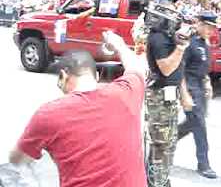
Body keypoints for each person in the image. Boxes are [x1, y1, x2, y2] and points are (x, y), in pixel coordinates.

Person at [9, 32, 147, 187]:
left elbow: (17, 159)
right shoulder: (126, 93)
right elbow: (138, 67)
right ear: (96, 76)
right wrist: (119, 44)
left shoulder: (49, 115)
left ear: (63, 76)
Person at [145, 5, 192, 187]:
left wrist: (184, 93)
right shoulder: (158, 38)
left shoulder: (169, 38)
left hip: (170, 97)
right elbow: (166, 68)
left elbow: (178, 70)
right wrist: (180, 48)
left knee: (169, 143)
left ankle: (160, 180)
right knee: (160, 145)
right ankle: (156, 182)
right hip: (159, 98)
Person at [177, 11, 217, 179]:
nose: (210, 30)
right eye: (207, 26)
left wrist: (207, 82)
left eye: (212, 28)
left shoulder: (203, 43)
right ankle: (204, 164)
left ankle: (167, 141)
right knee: (199, 126)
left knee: (193, 123)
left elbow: (202, 66)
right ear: (198, 24)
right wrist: (184, 94)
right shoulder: (189, 43)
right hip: (191, 87)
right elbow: (180, 70)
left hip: (200, 86)